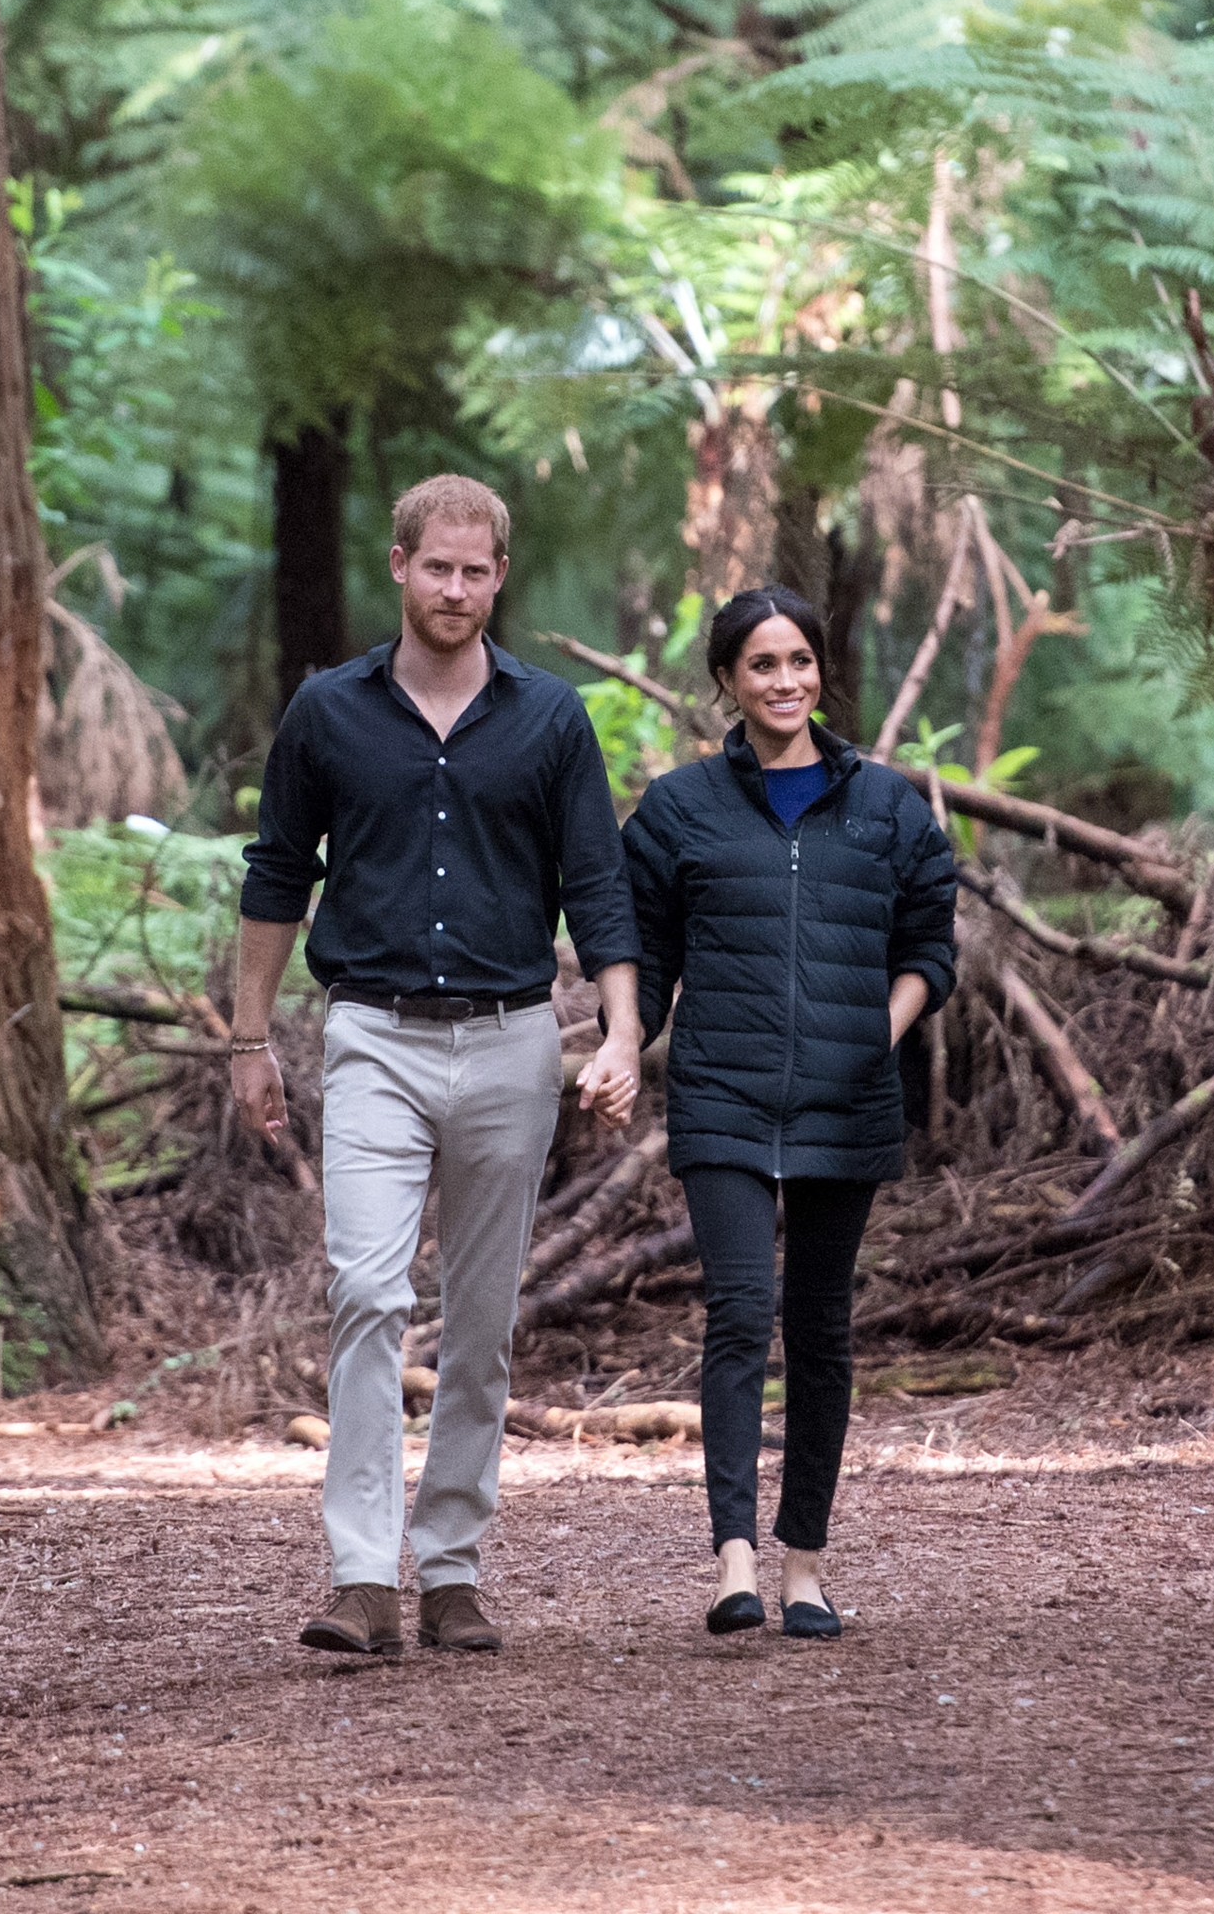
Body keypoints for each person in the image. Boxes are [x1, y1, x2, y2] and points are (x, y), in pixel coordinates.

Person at [233, 474, 644, 1659]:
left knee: (482, 1317)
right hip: (371, 1032)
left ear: (498, 577)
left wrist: (617, 1031)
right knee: (366, 1291)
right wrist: (249, 1040)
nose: (456, 589)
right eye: (437, 567)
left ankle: (453, 1563)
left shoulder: (551, 718)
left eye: (477, 571)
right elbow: (275, 873)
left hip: (514, 1039)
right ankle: (363, 1574)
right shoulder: (327, 710)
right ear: (401, 564)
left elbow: (597, 885)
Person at [621, 585, 956, 1639]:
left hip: (847, 1098)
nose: (784, 681)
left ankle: (804, 1560)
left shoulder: (889, 806)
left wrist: (879, 1032)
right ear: (726, 679)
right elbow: (643, 955)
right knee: (738, 1310)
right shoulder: (679, 808)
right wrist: (618, 1043)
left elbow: (930, 947)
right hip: (721, 1088)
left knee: (820, 1326)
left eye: (799, 661)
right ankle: (734, 1559)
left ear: (821, 672)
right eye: (762, 664)